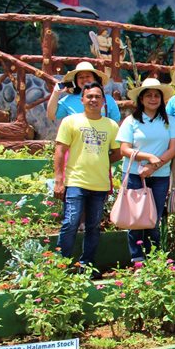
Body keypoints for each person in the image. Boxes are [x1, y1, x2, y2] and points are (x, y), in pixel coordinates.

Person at [53, 81, 120, 275]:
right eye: (89, 96)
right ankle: (60, 266)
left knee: (93, 227)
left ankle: (87, 265)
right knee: (70, 222)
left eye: (97, 97)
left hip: (100, 184)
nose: (93, 100)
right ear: (82, 99)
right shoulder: (71, 122)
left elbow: (117, 152)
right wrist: (59, 179)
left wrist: (101, 160)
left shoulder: (111, 125)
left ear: (103, 101)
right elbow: (60, 150)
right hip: (75, 182)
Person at [116, 78, 175, 262]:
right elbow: (124, 149)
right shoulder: (131, 121)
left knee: (154, 218)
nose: (153, 99)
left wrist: (153, 166)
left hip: (159, 176)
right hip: (136, 176)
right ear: (141, 99)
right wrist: (147, 157)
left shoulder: (170, 121)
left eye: (156, 95)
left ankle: (154, 257)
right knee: (135, 219)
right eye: (149, 95)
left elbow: (173, 149)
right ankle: (137, 259)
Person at [46, 61, 121, 124]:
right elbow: (51, 116)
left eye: (88, 76)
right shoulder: (68, 100)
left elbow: (115, 123)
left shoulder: (108, 100)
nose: (84, 79)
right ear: (76, 81)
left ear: (95, 79)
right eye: (81, 77)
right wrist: (55, 93)